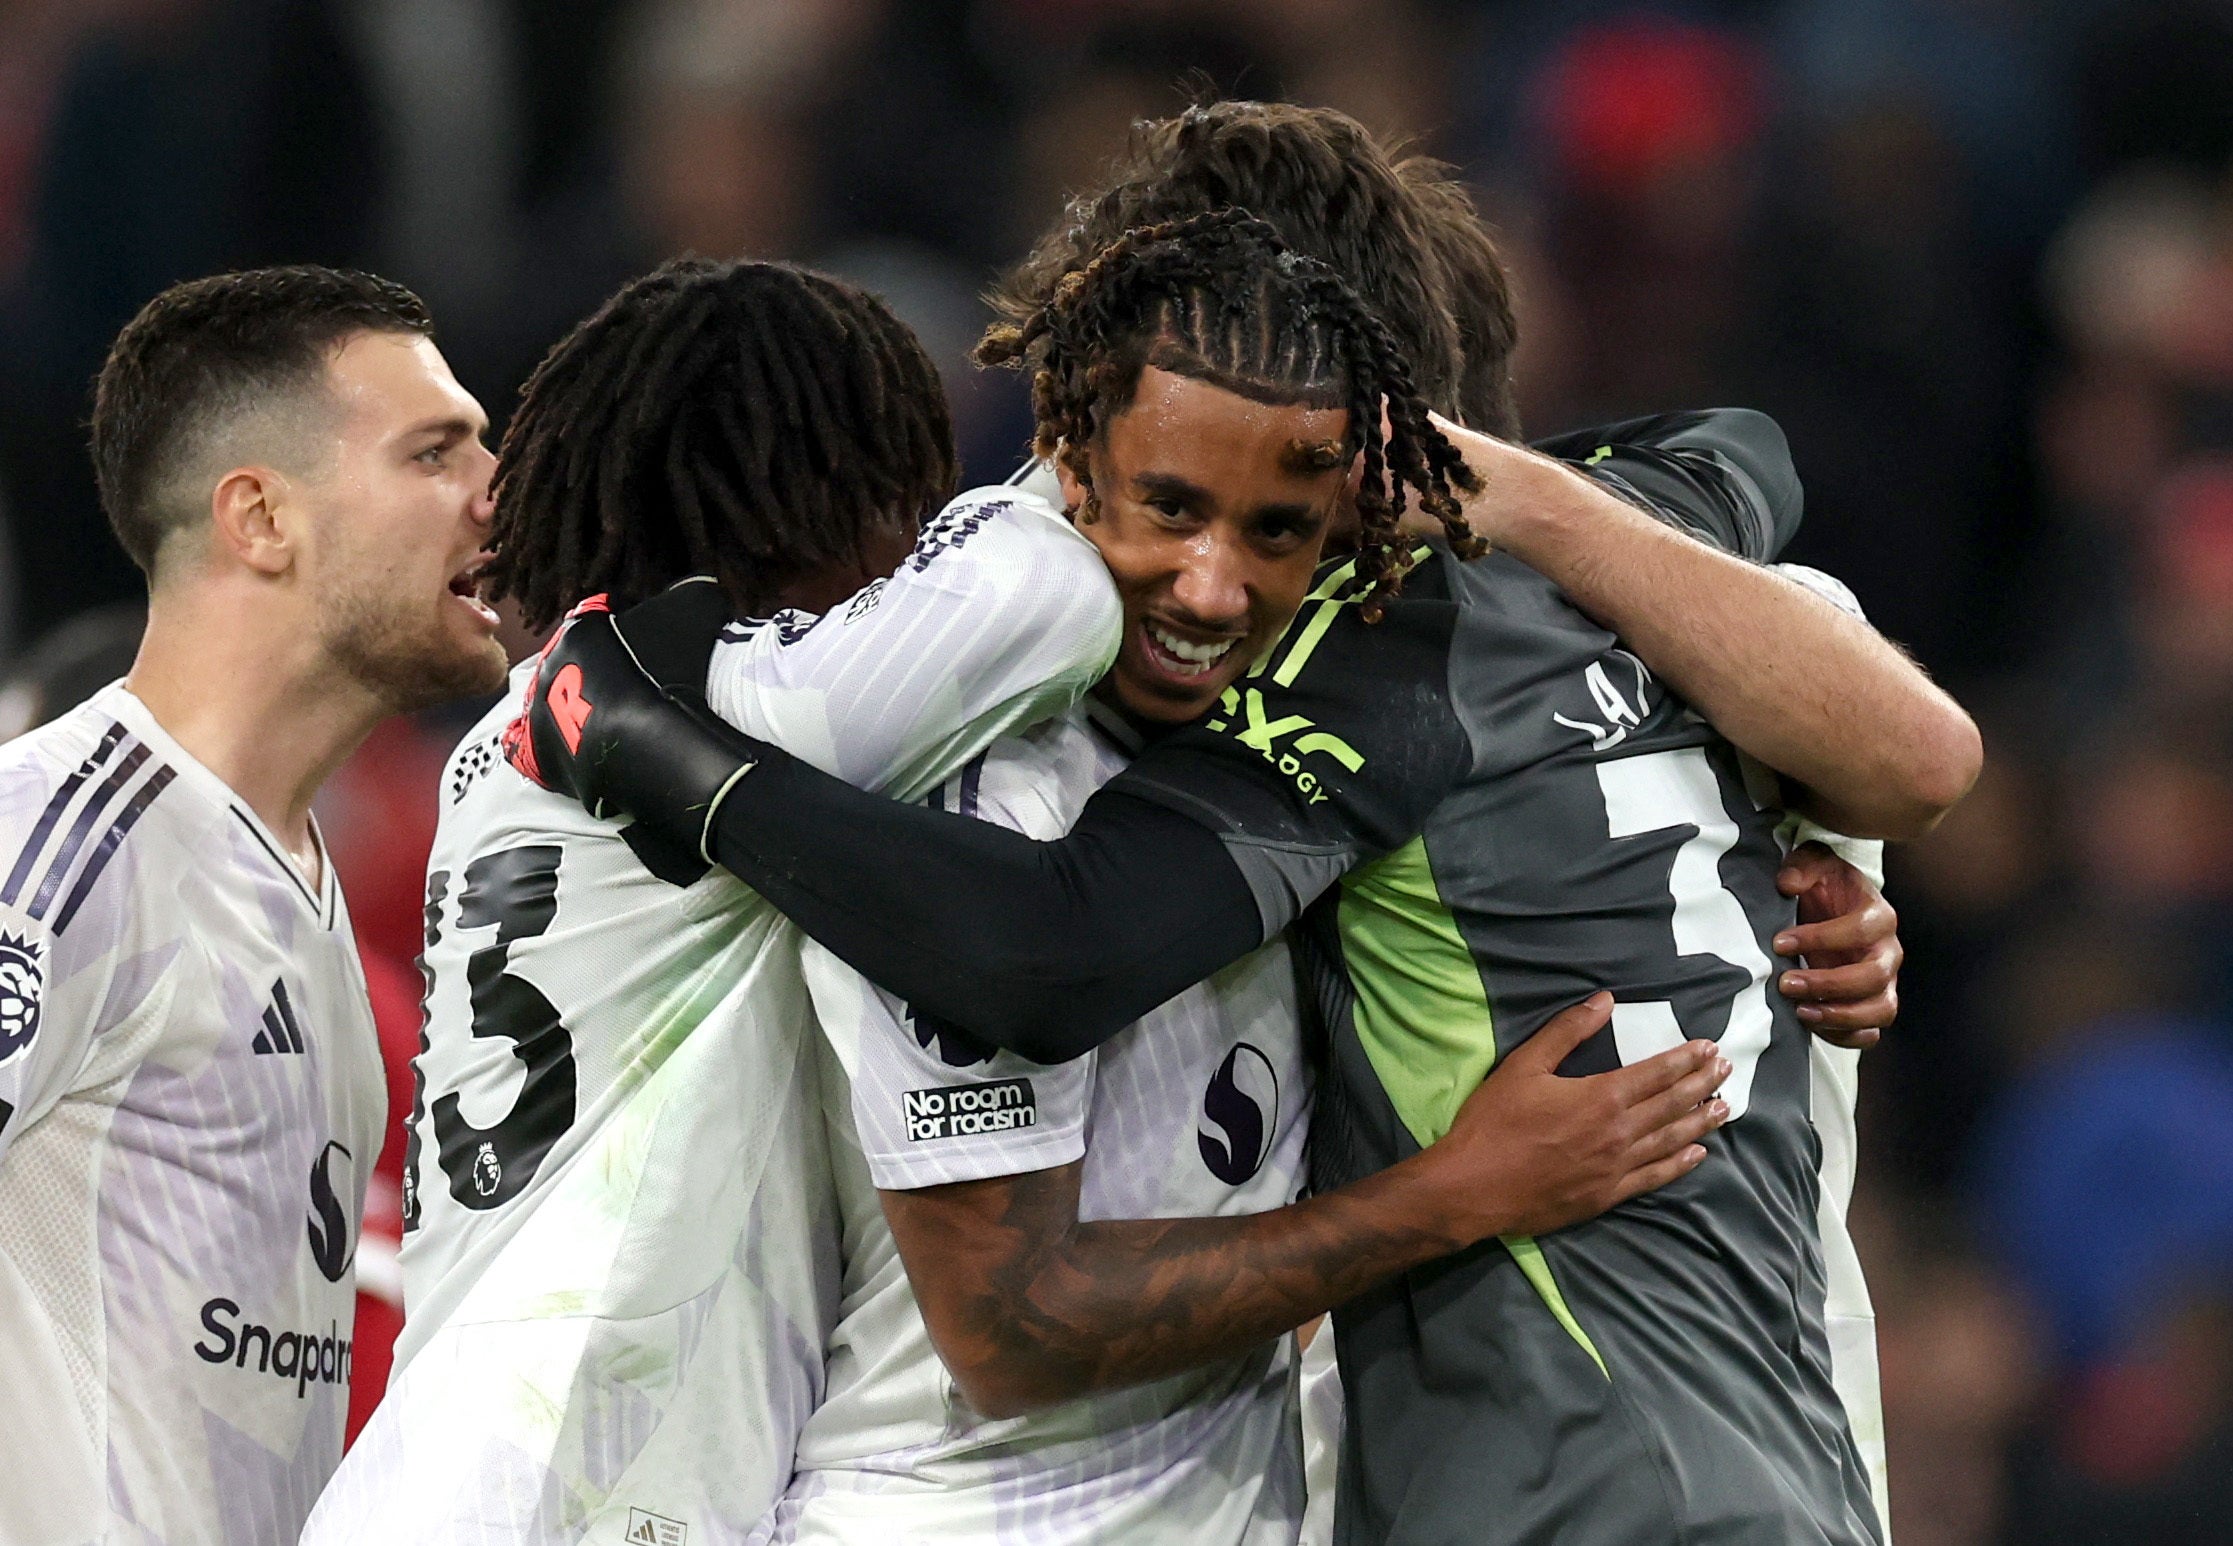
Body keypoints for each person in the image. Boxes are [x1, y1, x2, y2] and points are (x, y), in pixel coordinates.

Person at [516, 201, 1977, 1546]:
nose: (1214, 582)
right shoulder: (970, 736)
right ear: (1071, 451)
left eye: (1282, 523)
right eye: (1173, 504)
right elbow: (1013, 1286)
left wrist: (1824, 863)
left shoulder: (1445, 680)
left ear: (1378, 487)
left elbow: (1903, 737)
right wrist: (1453, 1190)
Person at [303, 256, 1116, 1544]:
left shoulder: (518, 733)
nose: (913, 545)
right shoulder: (739, 707)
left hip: (468, 1469)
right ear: (848, 501)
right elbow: (1057, 598)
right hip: (576, 1492)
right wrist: (1073, 470)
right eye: (906, 496)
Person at [0, 266, 509, 1545]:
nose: (495, 495)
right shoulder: (58, 845)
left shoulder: (313, 910)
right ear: (261, 519)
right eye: (435, 452)